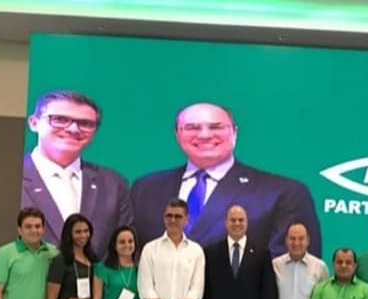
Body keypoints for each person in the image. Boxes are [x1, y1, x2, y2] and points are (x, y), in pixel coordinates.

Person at [130, 102, 321, 257]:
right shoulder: (146, 188)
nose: (204, 135)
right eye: (192, 127)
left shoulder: (283, 193)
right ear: (177, 135)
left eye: (216, 127)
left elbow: (289, 269)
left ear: (234, 132)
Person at [21, 90, 133, 256]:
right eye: (60, 119)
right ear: (34, 123)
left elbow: (122, 253)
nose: (73, 129)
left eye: (85, 123)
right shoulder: (10, 175)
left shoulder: (113, 184)